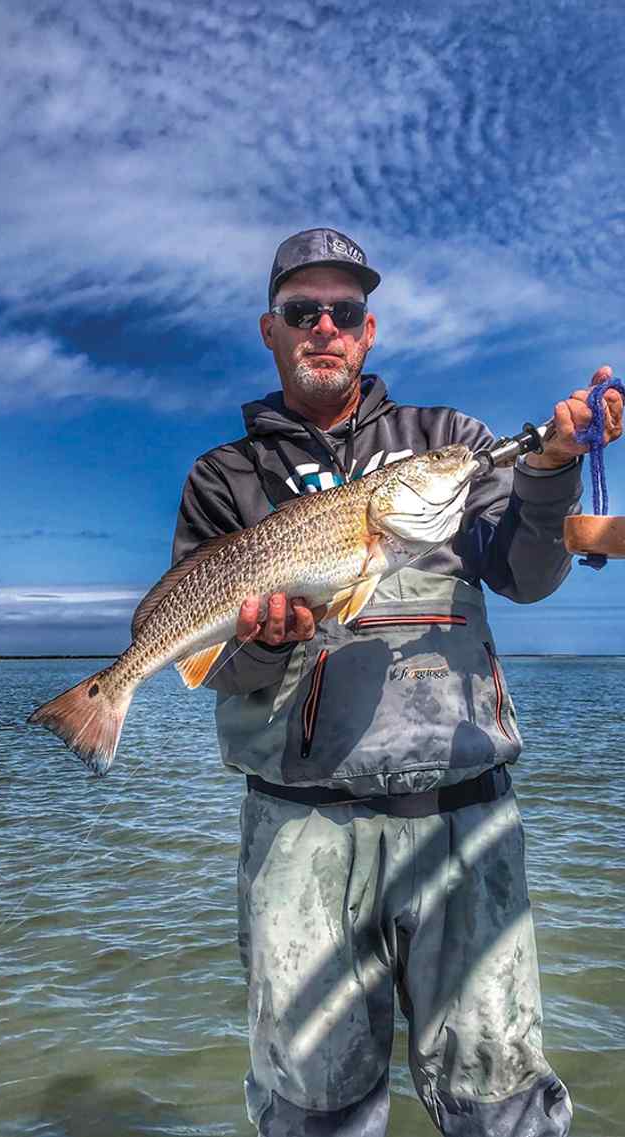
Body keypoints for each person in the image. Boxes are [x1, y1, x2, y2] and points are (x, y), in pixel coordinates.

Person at [172, 228, 622, 1136]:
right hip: (298, 831)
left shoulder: (447, 443)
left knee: (503, 1104)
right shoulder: (224, 477)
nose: (325, 326)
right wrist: (265, 643)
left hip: (465, 819)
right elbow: (221, 666)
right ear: (272, 330)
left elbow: (527, 574)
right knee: (315, 1111)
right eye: (304, 312)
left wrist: (550, 469)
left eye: (345, 311)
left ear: (369, 332)